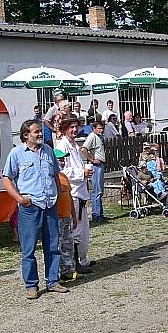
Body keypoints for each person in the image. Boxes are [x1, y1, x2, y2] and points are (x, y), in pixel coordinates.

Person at [2, 119, 68, 299]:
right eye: (36, 131)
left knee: (52, 245)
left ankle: (53, 281)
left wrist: (58, 195)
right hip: (30, 207)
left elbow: (55, 174)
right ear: (26, 135)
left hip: (49, 204)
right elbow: (7, 179)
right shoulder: (16, 153)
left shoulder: (48, 150)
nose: (40, 134)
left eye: (40, 131)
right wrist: (20, 199)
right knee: (29, 249)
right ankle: (31, 285)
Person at [56, 118, 93, 274]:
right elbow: (62, 171)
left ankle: (82, 259)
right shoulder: (61, 146)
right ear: (65, 129)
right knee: (75, 229)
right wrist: (81, 173)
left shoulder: (75, 146)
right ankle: (75, 262)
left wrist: (85, 171)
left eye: (76, 127)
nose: (74, 130)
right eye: (71, 127)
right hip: (73, 193)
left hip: (81, 192)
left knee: (83, 230)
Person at [53, 149, 78, 281]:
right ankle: (56, 273)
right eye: (60, 159)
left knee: (68, 244)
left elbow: (69, 196)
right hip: (57, 218)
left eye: (63, 159)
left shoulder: (63, 176)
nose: (62, 162)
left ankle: (68, 270)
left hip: (66, 217)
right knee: (57, 246)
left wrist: (73, 216)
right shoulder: (51, 177)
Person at [81, 122, 106, 222]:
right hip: (96, 166)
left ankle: (100, 213)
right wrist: (92, 160)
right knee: (96, 190)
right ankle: (96, 215)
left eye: (102, 128)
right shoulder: (92, 136)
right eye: (99, 128)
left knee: (100, 190)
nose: (101, 130)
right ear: (94, 128)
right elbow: (84, 149)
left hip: (100, 164)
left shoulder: (99, 137)